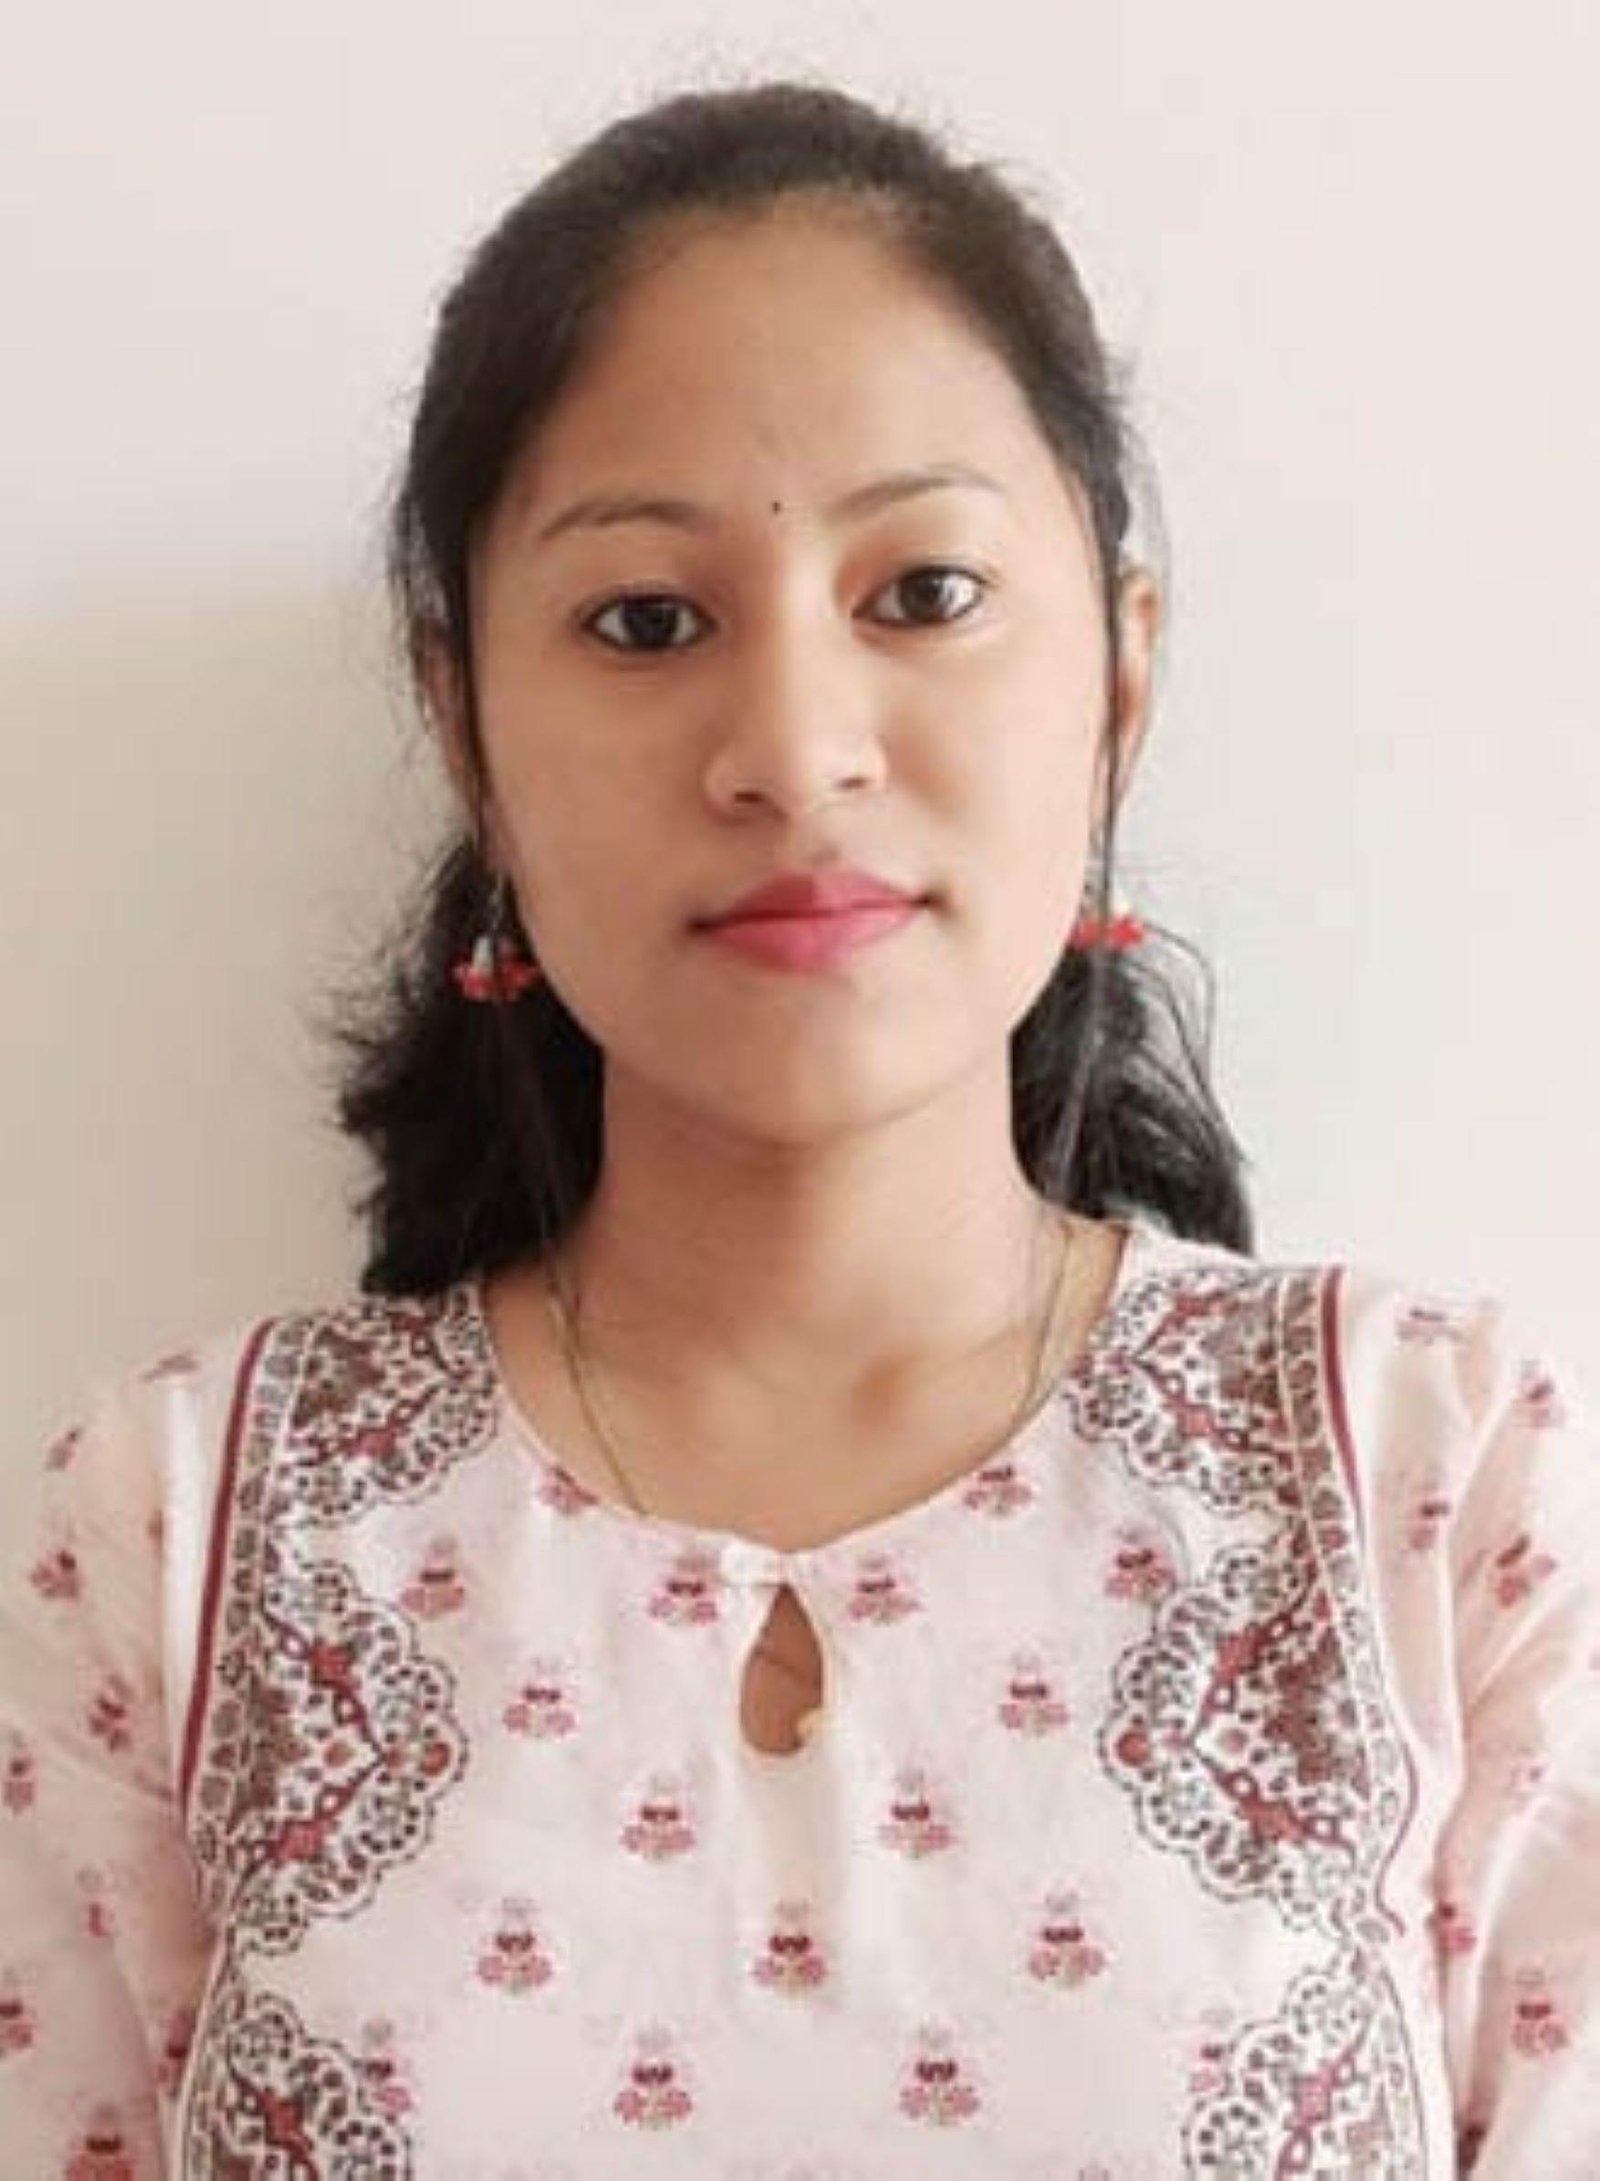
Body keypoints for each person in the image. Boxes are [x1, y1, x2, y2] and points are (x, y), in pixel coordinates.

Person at [1, 76, 1595, 2181]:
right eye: (647, 620)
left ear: (1118, 679)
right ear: (464, 721)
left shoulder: (1436, 1475)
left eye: (920, 592)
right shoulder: (174, 1528)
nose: (794, 747)